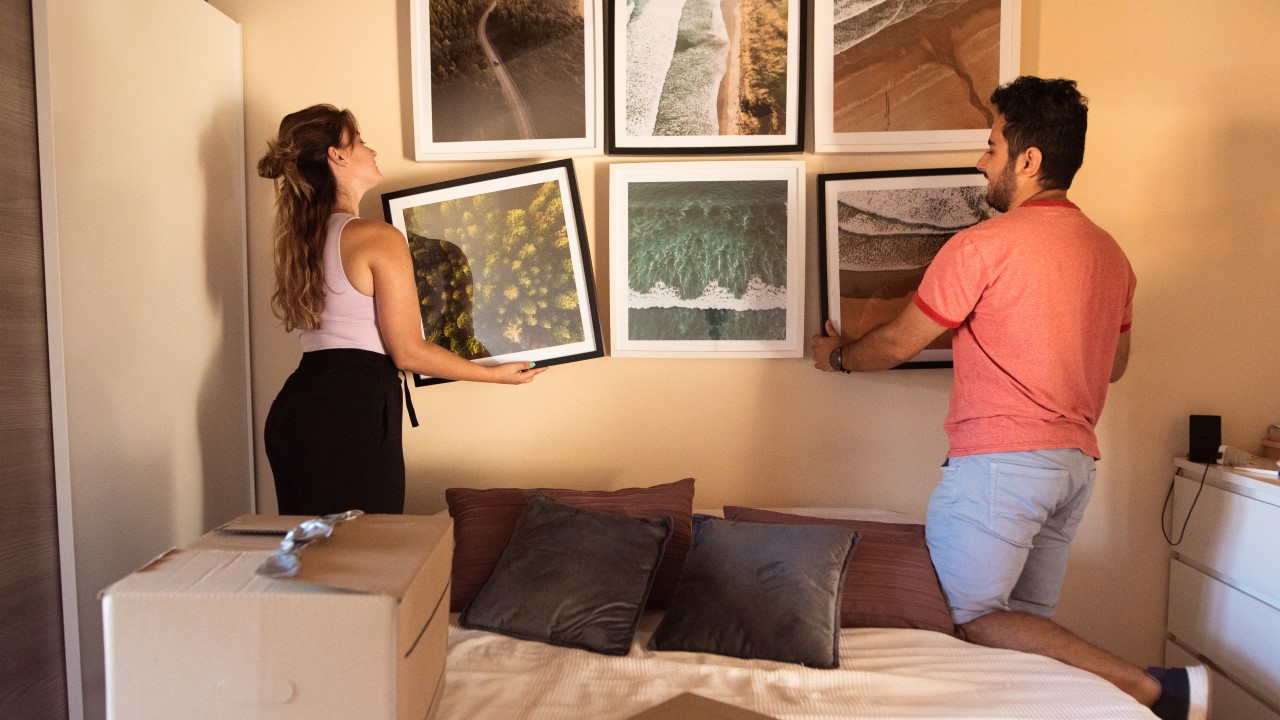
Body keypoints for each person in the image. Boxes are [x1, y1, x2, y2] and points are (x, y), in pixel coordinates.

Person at [812, 76, 1207, 720]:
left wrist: (834, 357)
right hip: (1073, 466)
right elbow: (1115, 366)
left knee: (965, 618)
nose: (980, 159)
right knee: (1022, 625)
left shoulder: (982, 246)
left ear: (1029, 160)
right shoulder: (1112, 256)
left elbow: (896, 345)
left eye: (990, 144)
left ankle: (1151, 686)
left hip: (1002, 464)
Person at [258, 104, 545, 516]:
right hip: (350, 412)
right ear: (336, 156)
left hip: (297, 407)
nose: (372, 151)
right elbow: (407, 351)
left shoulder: (299, 241)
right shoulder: (377, 237)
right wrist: (493, 375)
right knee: (365, 560)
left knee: (311, 566)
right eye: (360, 142)